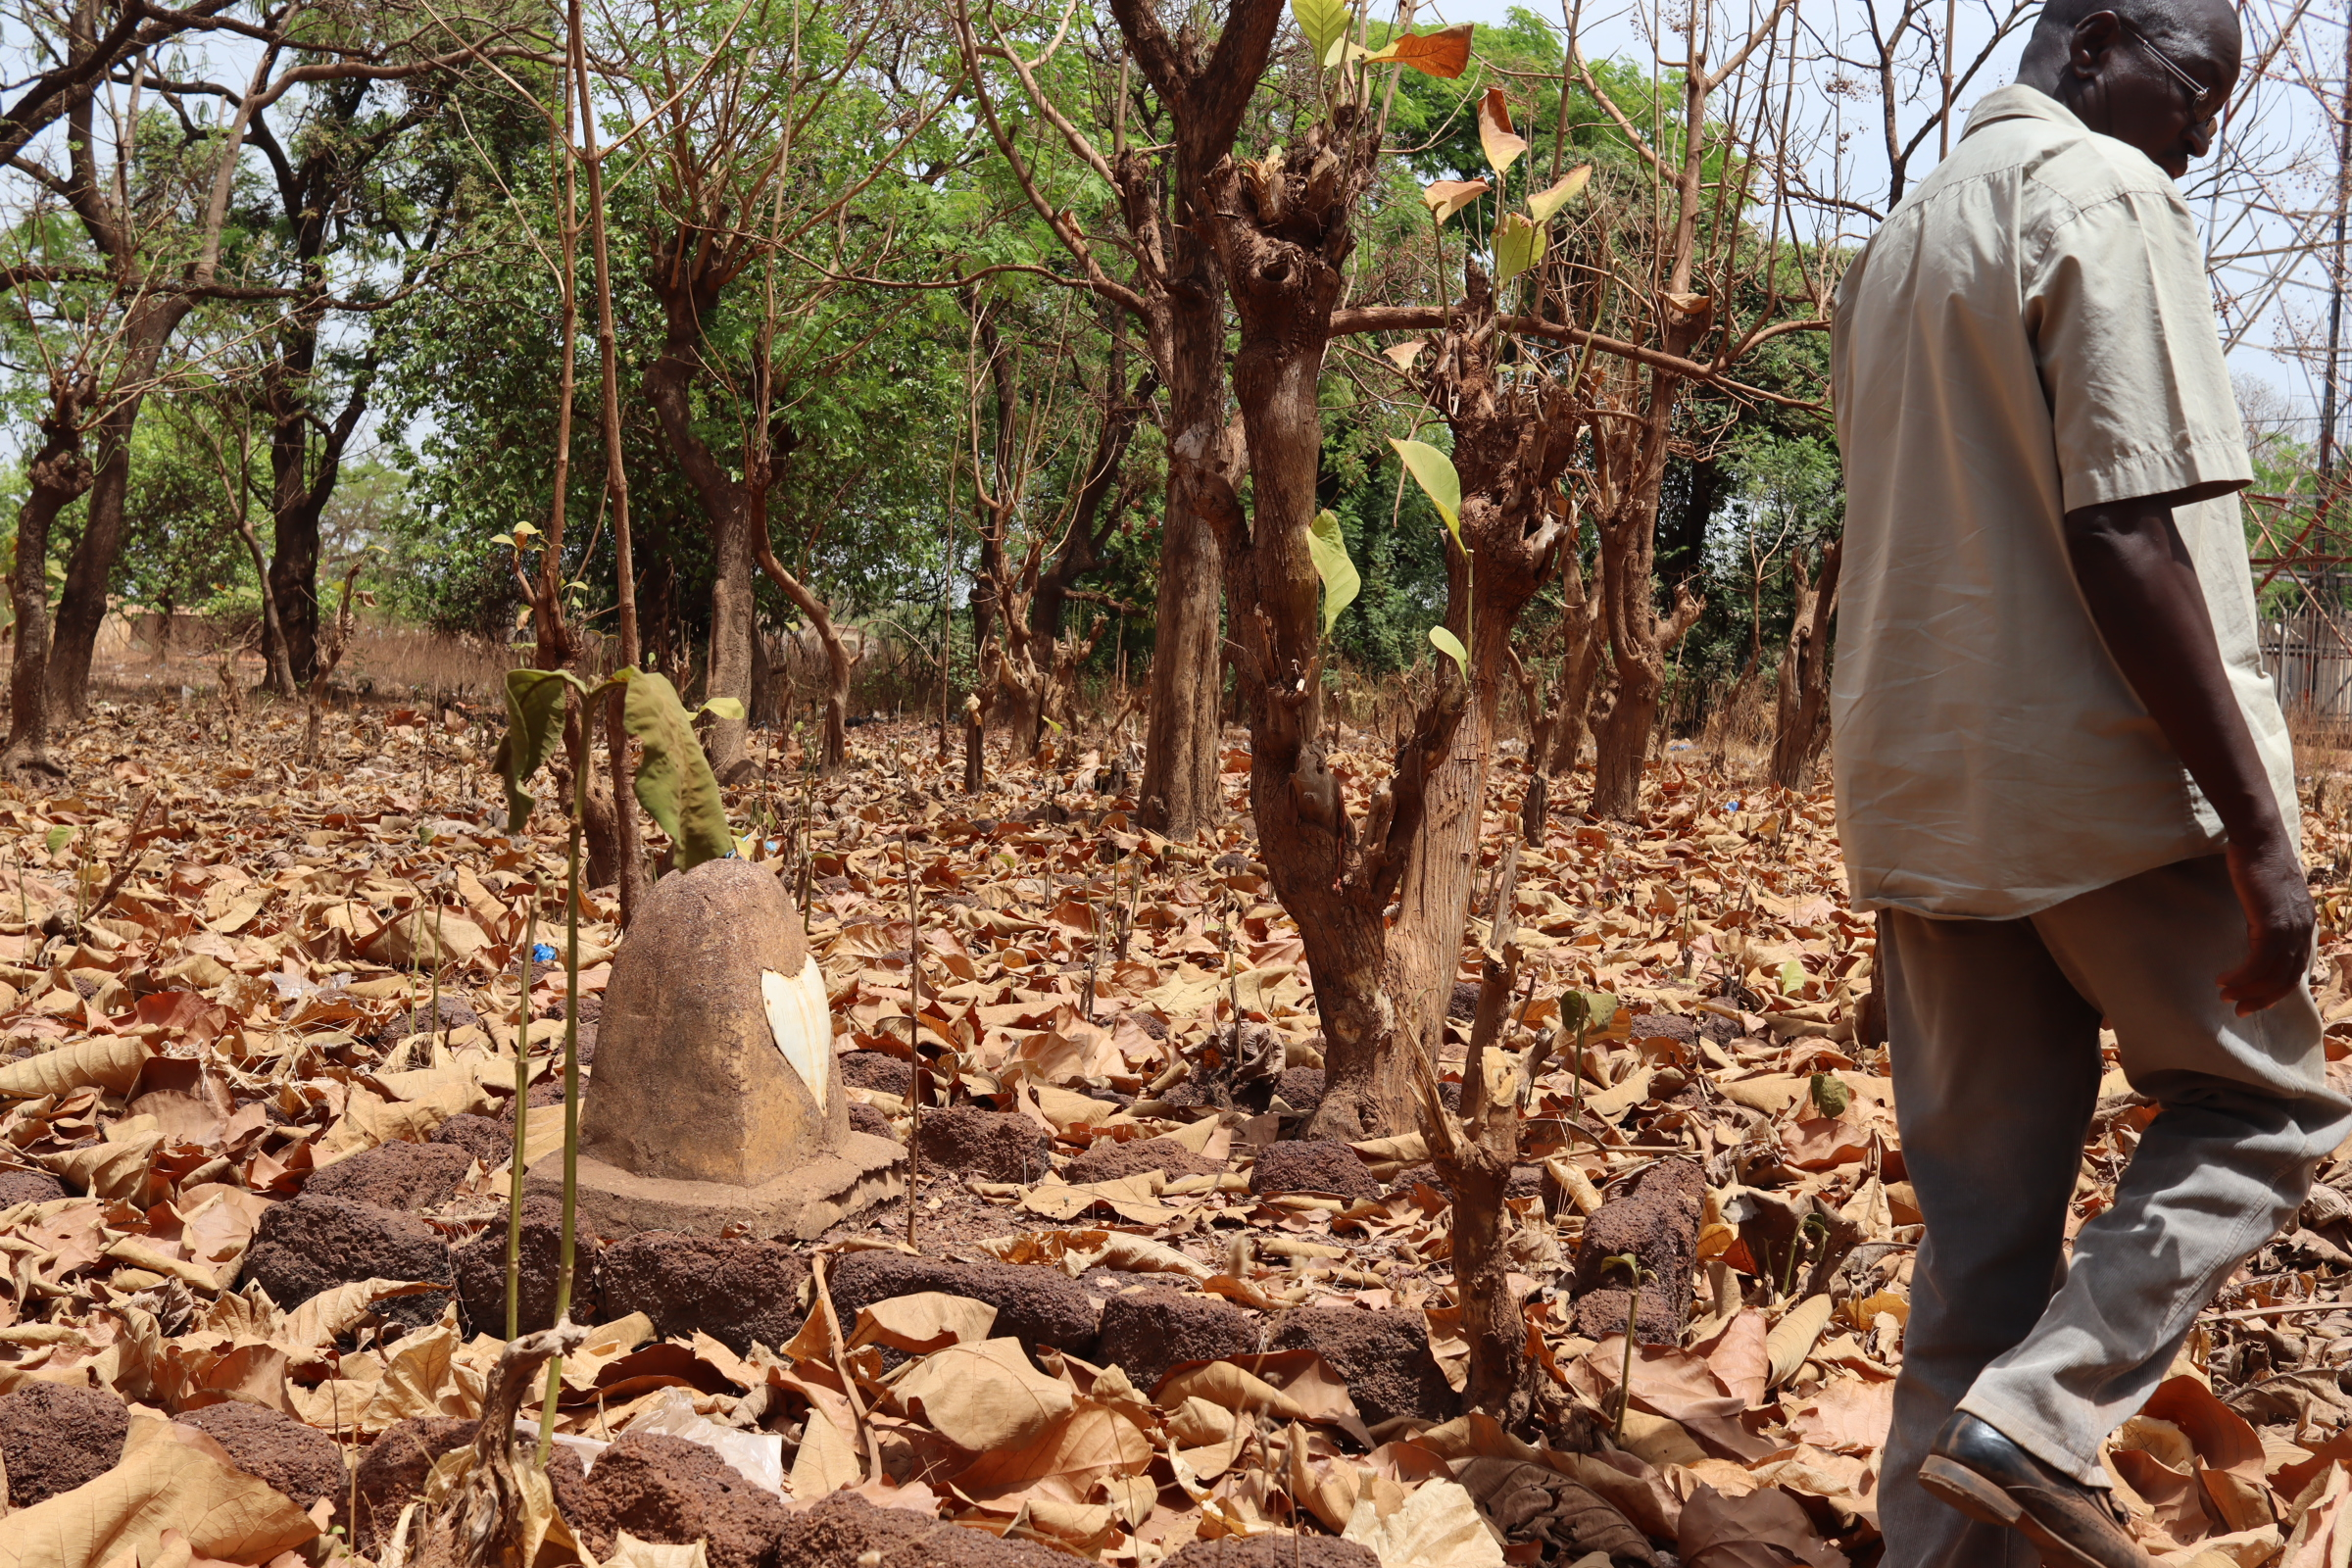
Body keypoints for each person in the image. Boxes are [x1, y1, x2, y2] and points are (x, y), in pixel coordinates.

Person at [1830, 2, 2352, 1566]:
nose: (2202, 129)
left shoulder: (1900, 238)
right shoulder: (2103, 193)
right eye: (2193, 87)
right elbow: (2125, 527)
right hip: (2100, 790)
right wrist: (2259, 829)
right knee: (2267, 1112)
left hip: (1926, 790)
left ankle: (1956, 1508)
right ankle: (2044, 1416)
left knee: (1979, 1251)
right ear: (2095, 41)